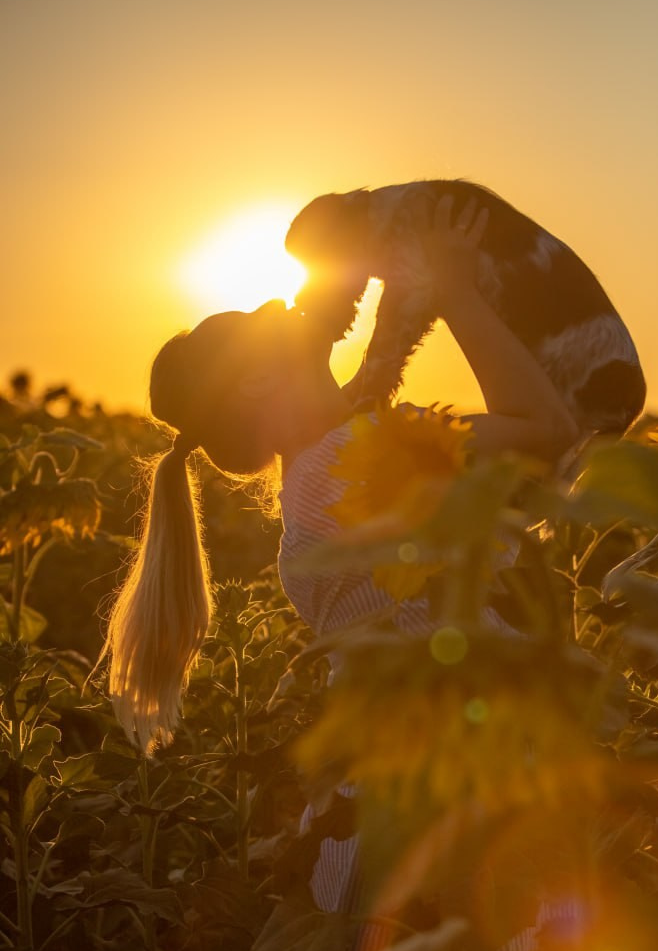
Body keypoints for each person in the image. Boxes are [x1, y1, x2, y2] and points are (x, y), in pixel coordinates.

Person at [105, 195, 580, 755]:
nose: (284, 304)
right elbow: (547, 428)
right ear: (256, 380)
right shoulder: (366, 459)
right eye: (261, 322)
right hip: (458, 789)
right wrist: (453, 288)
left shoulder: (331, 466)